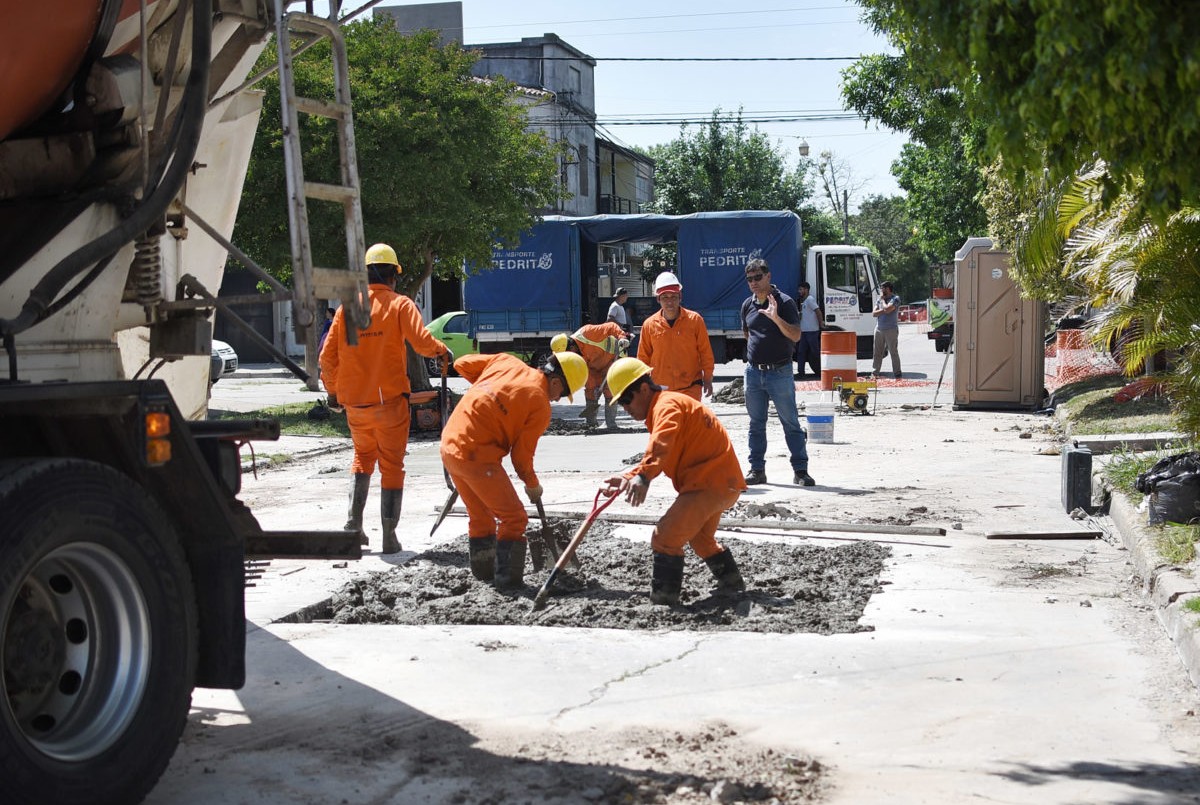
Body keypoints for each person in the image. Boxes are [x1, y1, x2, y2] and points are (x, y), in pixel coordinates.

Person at [319, 243, 451, 555]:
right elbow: (421, 342)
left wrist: (335, 392)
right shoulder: (400, 305)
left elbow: (327, 357)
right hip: (390, 403)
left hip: (356, 406)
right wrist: (441, 351)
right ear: (393, 276)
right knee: (391, 466)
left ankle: (353, 526)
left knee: (362, 458)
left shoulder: (346, 309)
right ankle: (389, 538)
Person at [602, 358, 747, 606]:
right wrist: (630, 477)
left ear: (644, 389)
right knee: (702, 542)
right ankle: (733, 586)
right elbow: (663, 450)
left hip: (708, 485)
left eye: (626, 400)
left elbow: (661, 444)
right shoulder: (667, 405)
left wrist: (643, 476)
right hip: (720, 483)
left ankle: (664, 601)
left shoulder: (666, 407)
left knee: (665, 538)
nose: (624, 408)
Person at [440, 351, 588, 588]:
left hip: (449, 445)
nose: (558, 399)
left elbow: (460, 363)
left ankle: (484, 577)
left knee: (481, 518)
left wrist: (491, 392)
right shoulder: (539, 403)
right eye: (563, 393)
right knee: (515, 519)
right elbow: (520, 459)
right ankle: (507, 584)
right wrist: (533, 485)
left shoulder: (506, 362)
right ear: (556, 381)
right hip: (478, 457)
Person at [739, 258, 814, 487]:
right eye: (749, 279)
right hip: (754, 374)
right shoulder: (747, 305)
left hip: (779, 372)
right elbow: (747, 333)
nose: (753, 283)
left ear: (768, 276)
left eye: (758, 277)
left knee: (790, 422)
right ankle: (757, 470)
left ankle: (800, 471)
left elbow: (796, 335)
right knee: (756, 424)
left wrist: (775, 318)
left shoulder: (785, 302)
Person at [636, 271, 715, 401]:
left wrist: (708, 378)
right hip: (661, 391)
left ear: (680, 297)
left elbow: (705, 352)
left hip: (690, 388)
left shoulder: (695, 320)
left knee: (689, 422)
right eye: (665, 297)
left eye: (673, 297)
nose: (670, 302)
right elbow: (643, 358)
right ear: (658, 299)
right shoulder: (649, 325)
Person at [550, 322, 629, 428]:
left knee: (609, 389)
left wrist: (622, 337)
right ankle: (591, 423)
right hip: (593, 368)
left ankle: (611, 424)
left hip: (611, 360)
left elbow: (611, 326)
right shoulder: (574, 355)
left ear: (572, 346)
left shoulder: (588, 333)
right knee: (590, 390)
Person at [872, 281, 902, 379]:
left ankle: (897, 373)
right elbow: (874, 313)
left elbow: (888, 309)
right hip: (879, 329)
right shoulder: (880, 299)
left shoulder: (895, 299)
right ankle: (875, 372)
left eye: (882, 288)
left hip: (891, 329)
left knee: (893, 351)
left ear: (888, 289)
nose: (881, 290)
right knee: (877, 352)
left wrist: (883, 302)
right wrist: (883, 309)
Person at [794, 282, 823, 380]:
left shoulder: (810, 300)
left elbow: (818, 311)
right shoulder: (804, 301)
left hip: (812, 331)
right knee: (801, 352)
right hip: (804, 331)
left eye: (801, 289)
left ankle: (820, 372)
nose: (799, 291)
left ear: (806, 289)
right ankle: (801, 372)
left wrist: (821, 324)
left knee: (815, 352)